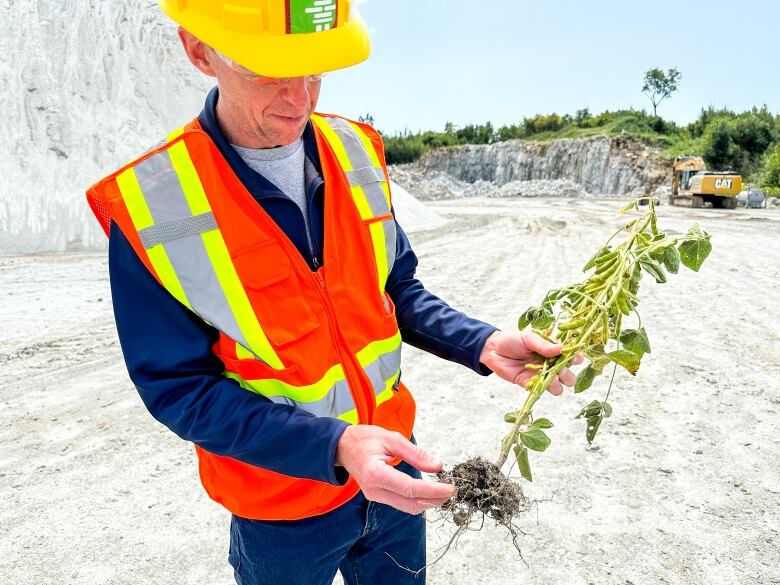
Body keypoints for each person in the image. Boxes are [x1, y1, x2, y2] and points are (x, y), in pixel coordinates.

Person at [86, 1, 580, 583]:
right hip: (281, 509)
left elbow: (395, 288)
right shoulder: (153, 206)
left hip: (396, 469)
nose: (300, 98)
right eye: (270, 72)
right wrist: (335, 446)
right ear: (200, 52)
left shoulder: (356, 152)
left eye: (314, 70)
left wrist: (483, 342)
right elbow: (178, 389)